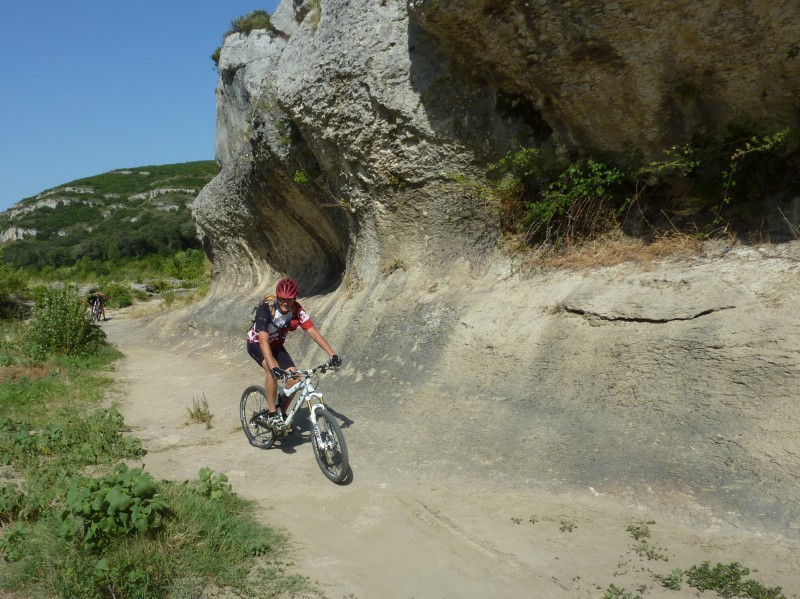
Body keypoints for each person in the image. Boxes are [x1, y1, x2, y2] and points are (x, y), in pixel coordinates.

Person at [246, 278, 341, 429]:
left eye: (289, 300)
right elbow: (263, 341)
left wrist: (332, 354)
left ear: (294, 298)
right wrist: (274, 367)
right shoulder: (266, 309)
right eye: (282, 299)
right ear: (278, 296)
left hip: (276, 346)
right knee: (272, 371)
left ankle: (282, 413)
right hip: (256, 344)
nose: (285, 302)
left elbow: (314, 333)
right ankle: (272, 414)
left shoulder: (297, 310)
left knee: (294, 378)